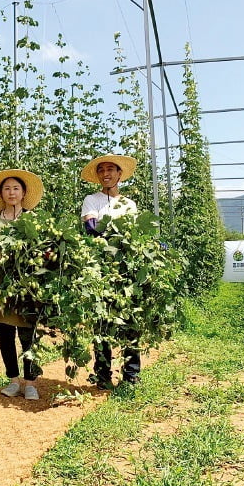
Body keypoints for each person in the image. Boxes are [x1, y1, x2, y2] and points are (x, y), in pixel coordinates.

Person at [0, 169, 44, 400]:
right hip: (0, 285)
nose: (11, 192)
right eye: (7, 188)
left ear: (23, 193)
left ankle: (31, 382)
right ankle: (13, 380)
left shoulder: (32, 219)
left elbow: (43, 248)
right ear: (1, 194)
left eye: (16, 188)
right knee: (5, 332)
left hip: (26, 284)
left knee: (27, 334)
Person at [80, 153, 141, 389]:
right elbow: (91, 227)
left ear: (119, 174)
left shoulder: (129, 204)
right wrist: (118, 235)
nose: (106, 174)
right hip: (100, 267)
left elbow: (136, 235)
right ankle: (103, 374)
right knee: (102, 320)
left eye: (110, 170)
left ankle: (131, 374)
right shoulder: (91, 199)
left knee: (130, 319)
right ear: (97, 176)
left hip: (127, 266)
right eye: (101, 170)